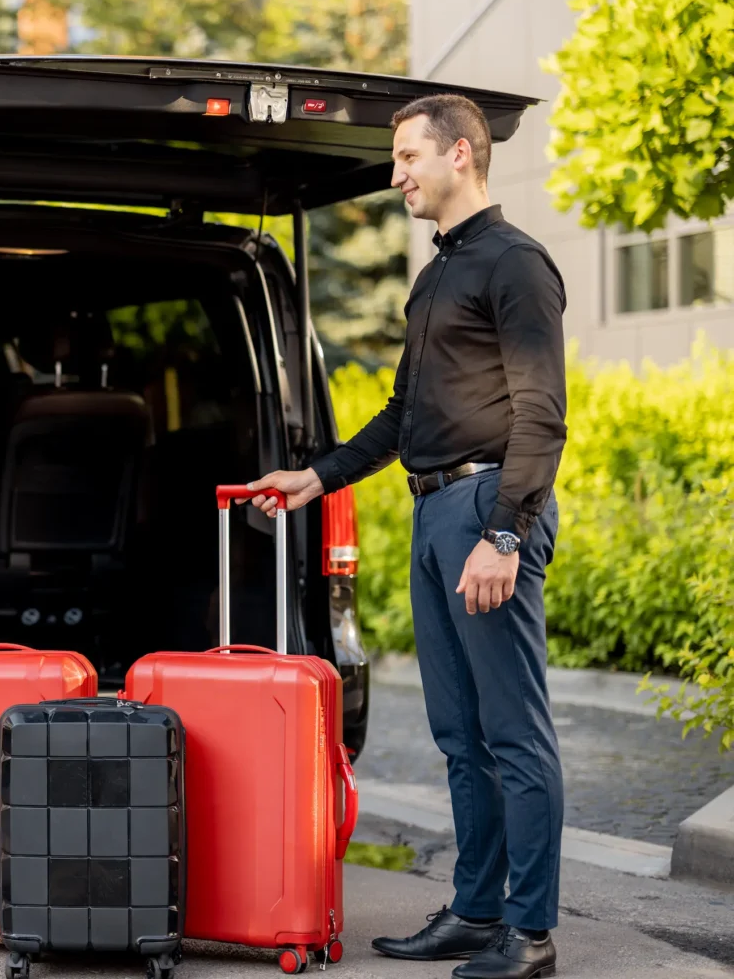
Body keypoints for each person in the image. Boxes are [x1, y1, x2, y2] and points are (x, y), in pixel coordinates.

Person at [243, 94, 567, 979]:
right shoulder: (436, 274)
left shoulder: (516, 264)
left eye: (409, 158)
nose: (396, 176)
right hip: (434, 510)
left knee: (514, 731)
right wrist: (316, 478)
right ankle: (476, 909)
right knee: (460, 734)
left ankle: (530, 933)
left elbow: (542, 413)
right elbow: (403, 413)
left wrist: (505, 535)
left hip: (487, 507)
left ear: (461, 154)